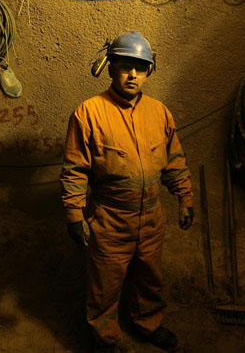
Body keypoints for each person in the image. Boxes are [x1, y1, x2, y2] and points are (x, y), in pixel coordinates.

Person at [60, 31, 194, 353]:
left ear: (149, 71)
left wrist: (185, 197)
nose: (132, 74)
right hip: (109, 219)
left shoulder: (160, 113)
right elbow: (75, 170)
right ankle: (105, 339)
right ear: (111, 68)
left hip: (150, 217)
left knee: (149, 279)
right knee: (104, 287)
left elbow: (174, 160)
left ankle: (148, 325)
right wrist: (74, 215)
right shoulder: (89, 112)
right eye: (124, 66)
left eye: (140, 67)